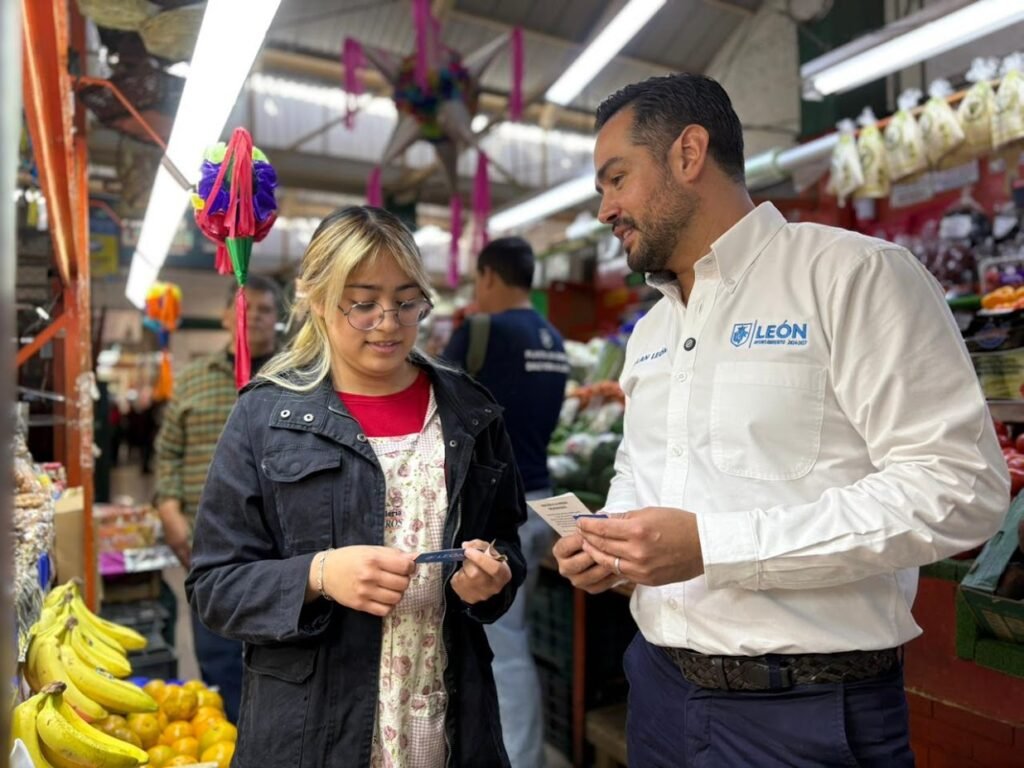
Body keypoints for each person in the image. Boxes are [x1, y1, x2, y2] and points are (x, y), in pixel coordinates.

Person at [553, 73, 1009, 767]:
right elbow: (637, 467)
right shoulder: (650, 332)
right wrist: (614, 543)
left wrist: (713, 546)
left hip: (807, 714)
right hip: (657, 690)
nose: (606, 208)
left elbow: (961, 487)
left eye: (617, 179)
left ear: (688, 154)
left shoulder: (853, 276)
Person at [185, 206, 527, 768]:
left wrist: (489, 581)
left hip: (446, 724)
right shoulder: (265, 417)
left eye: (407, 302)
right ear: (318, 300)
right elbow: (214, 587)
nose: (388, 323)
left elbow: (506, 543)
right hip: (311, 735)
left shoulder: (470, 413)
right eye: (363, 303)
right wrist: (319, 574)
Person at [443, 236, 568, 768]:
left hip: (495, 510)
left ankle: (519, 758)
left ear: (489, 276)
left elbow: (439, 402)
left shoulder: (481, 331)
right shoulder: (553, 338)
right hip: (542, 499)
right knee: (511, 634)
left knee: (502, 644)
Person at [154, 273, 281, 722]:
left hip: (280, 552)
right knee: (218, 658)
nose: (255, 318)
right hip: (207, 548)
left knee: (282, 664)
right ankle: (227, 739)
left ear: (278, 319)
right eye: (247, 308)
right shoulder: (193, 381)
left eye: (266, 310)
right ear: (227, 316)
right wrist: (170, 514)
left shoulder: (301, 380)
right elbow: (167, 454)